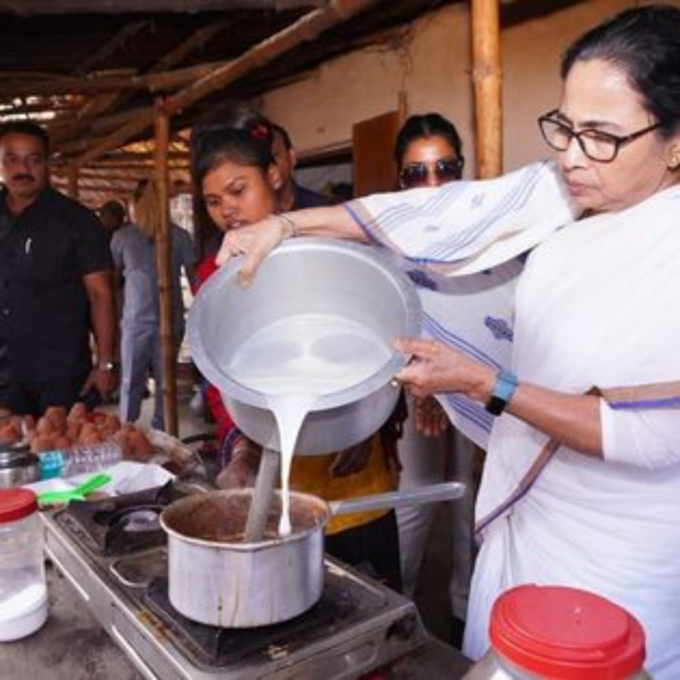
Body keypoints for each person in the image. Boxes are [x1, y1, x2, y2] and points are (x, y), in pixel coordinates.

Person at [214, 6, 680, 677]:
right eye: (564, 127)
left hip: (622, 554)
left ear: (673, 141)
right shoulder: (566, 194)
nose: (571, 155)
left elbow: (646, 434)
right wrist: (286, 227)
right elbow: (438, 217)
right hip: (532, 524)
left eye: (600, 136)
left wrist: (486, 384)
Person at [190, 101, 404, 591]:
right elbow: (219, 378)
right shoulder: (214, 276)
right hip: (274, 477)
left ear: (274, 175)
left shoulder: (333, 248)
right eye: (212, 201)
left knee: (368, 598)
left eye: (239, 191)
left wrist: (367, 428)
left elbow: (386, 344)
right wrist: (240, 449)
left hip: (351, 473)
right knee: (293, 605)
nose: (228, 210)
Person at [392, 112, 476, 642]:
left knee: (470, 493)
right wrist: (420, 382)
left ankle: (466, 605)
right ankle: (393, 609)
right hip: (412, 386)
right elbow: (388, 317)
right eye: (415, 172)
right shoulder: (387, 237)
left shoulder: (490, 234)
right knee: (417, 493)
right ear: (398, 180)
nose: (432, 184)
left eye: (444, 168)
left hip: (478, 384)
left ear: (461, 171)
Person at [0, 121, 116, 416]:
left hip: (60, 375)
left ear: (47, 163)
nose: (22, 168)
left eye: (33, 159)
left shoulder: (78, 221)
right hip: (3, 374)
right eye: (11, 158)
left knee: (60, 455)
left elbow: (101, 295)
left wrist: (105, 365)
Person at [110, 179, 195, 430]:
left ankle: (163, 433)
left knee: (163, 381)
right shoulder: (123, 237)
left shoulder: (178, 237)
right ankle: (127, 431)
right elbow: (112, 281)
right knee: (131, 378)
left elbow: (194, 280)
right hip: (135, 320)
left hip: (169, 320)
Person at [270, 123, 330, 210]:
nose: (268, 167)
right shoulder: (249, 215)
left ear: (292, 157)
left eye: (273, 157)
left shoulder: (319, 207)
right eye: (261, 160)